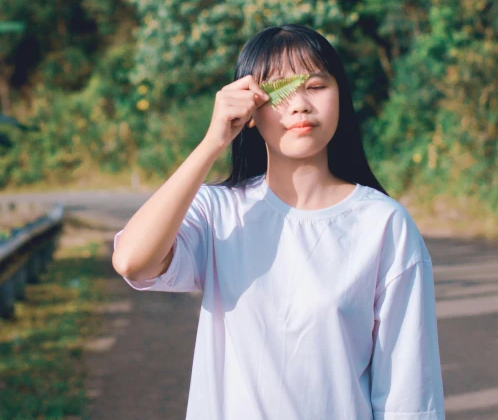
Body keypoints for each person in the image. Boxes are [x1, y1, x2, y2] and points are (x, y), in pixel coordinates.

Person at [112, 24, 446, 419]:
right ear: (250, 109)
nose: (300, 104)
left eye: (317, 86)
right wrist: (212, 143)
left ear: (341, 95)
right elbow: (133, 261)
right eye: (279, 92)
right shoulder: (221, 213)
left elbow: (409, 394)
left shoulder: (383, 224)